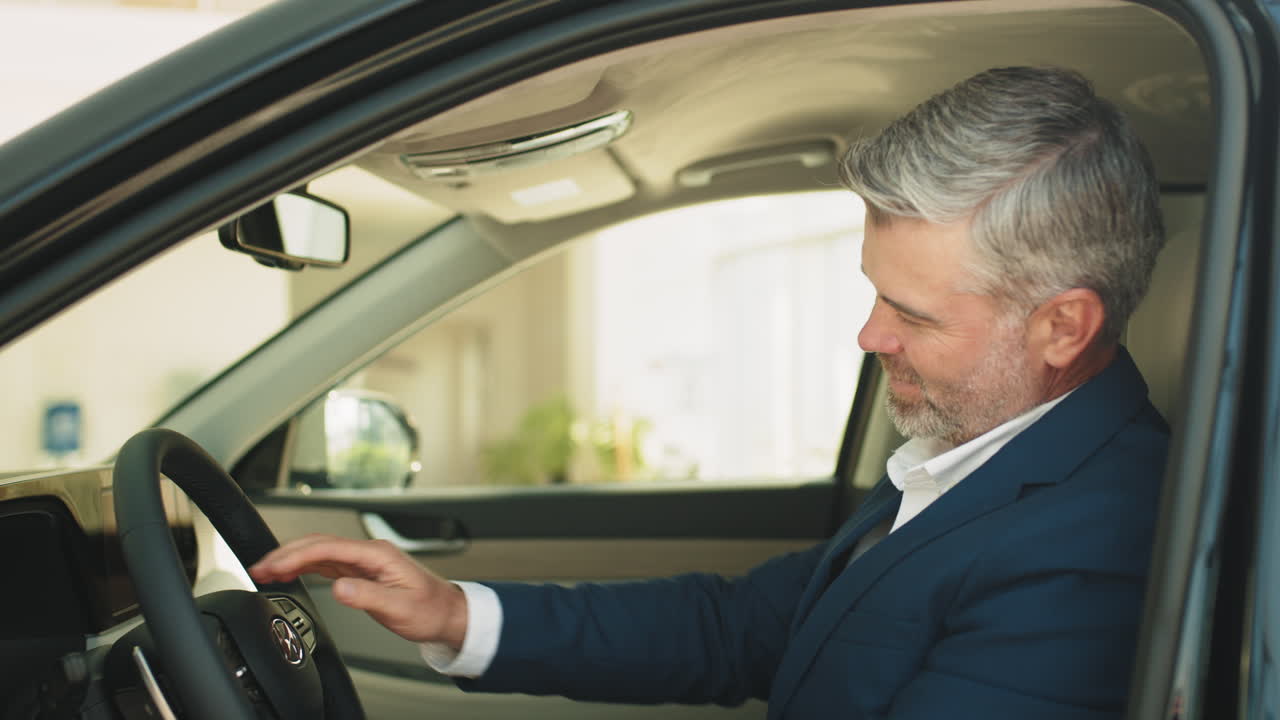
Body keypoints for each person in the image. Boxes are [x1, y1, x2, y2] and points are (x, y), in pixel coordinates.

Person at [251, 66, 1170, 718]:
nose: (869, 335)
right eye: (874, 291)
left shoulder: (1096, 548)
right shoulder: (974, 449)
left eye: (912, 313)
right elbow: (743, 627)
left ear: (1062, 327)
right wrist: (456, 615)